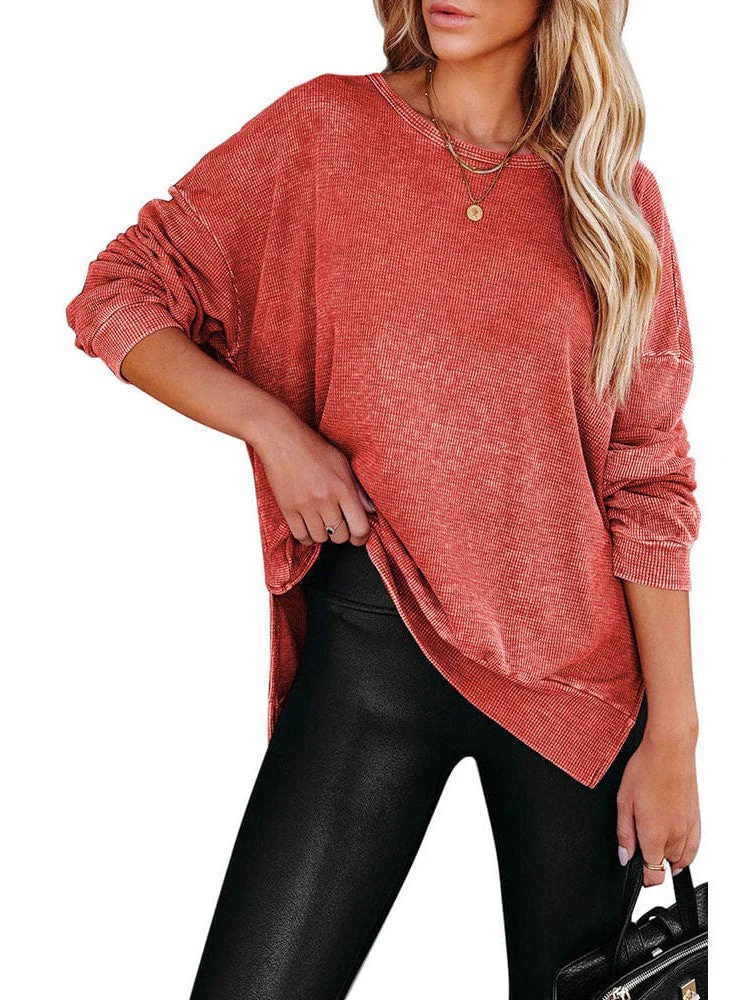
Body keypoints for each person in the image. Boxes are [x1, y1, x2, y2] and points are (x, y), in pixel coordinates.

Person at [64, 1, 702, 997]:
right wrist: (276, 432)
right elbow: (118, 292)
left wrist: (675, 737)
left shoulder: (614, 199)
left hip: (576, 690)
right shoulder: (327, 131)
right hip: (375, 643)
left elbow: (648, 475)